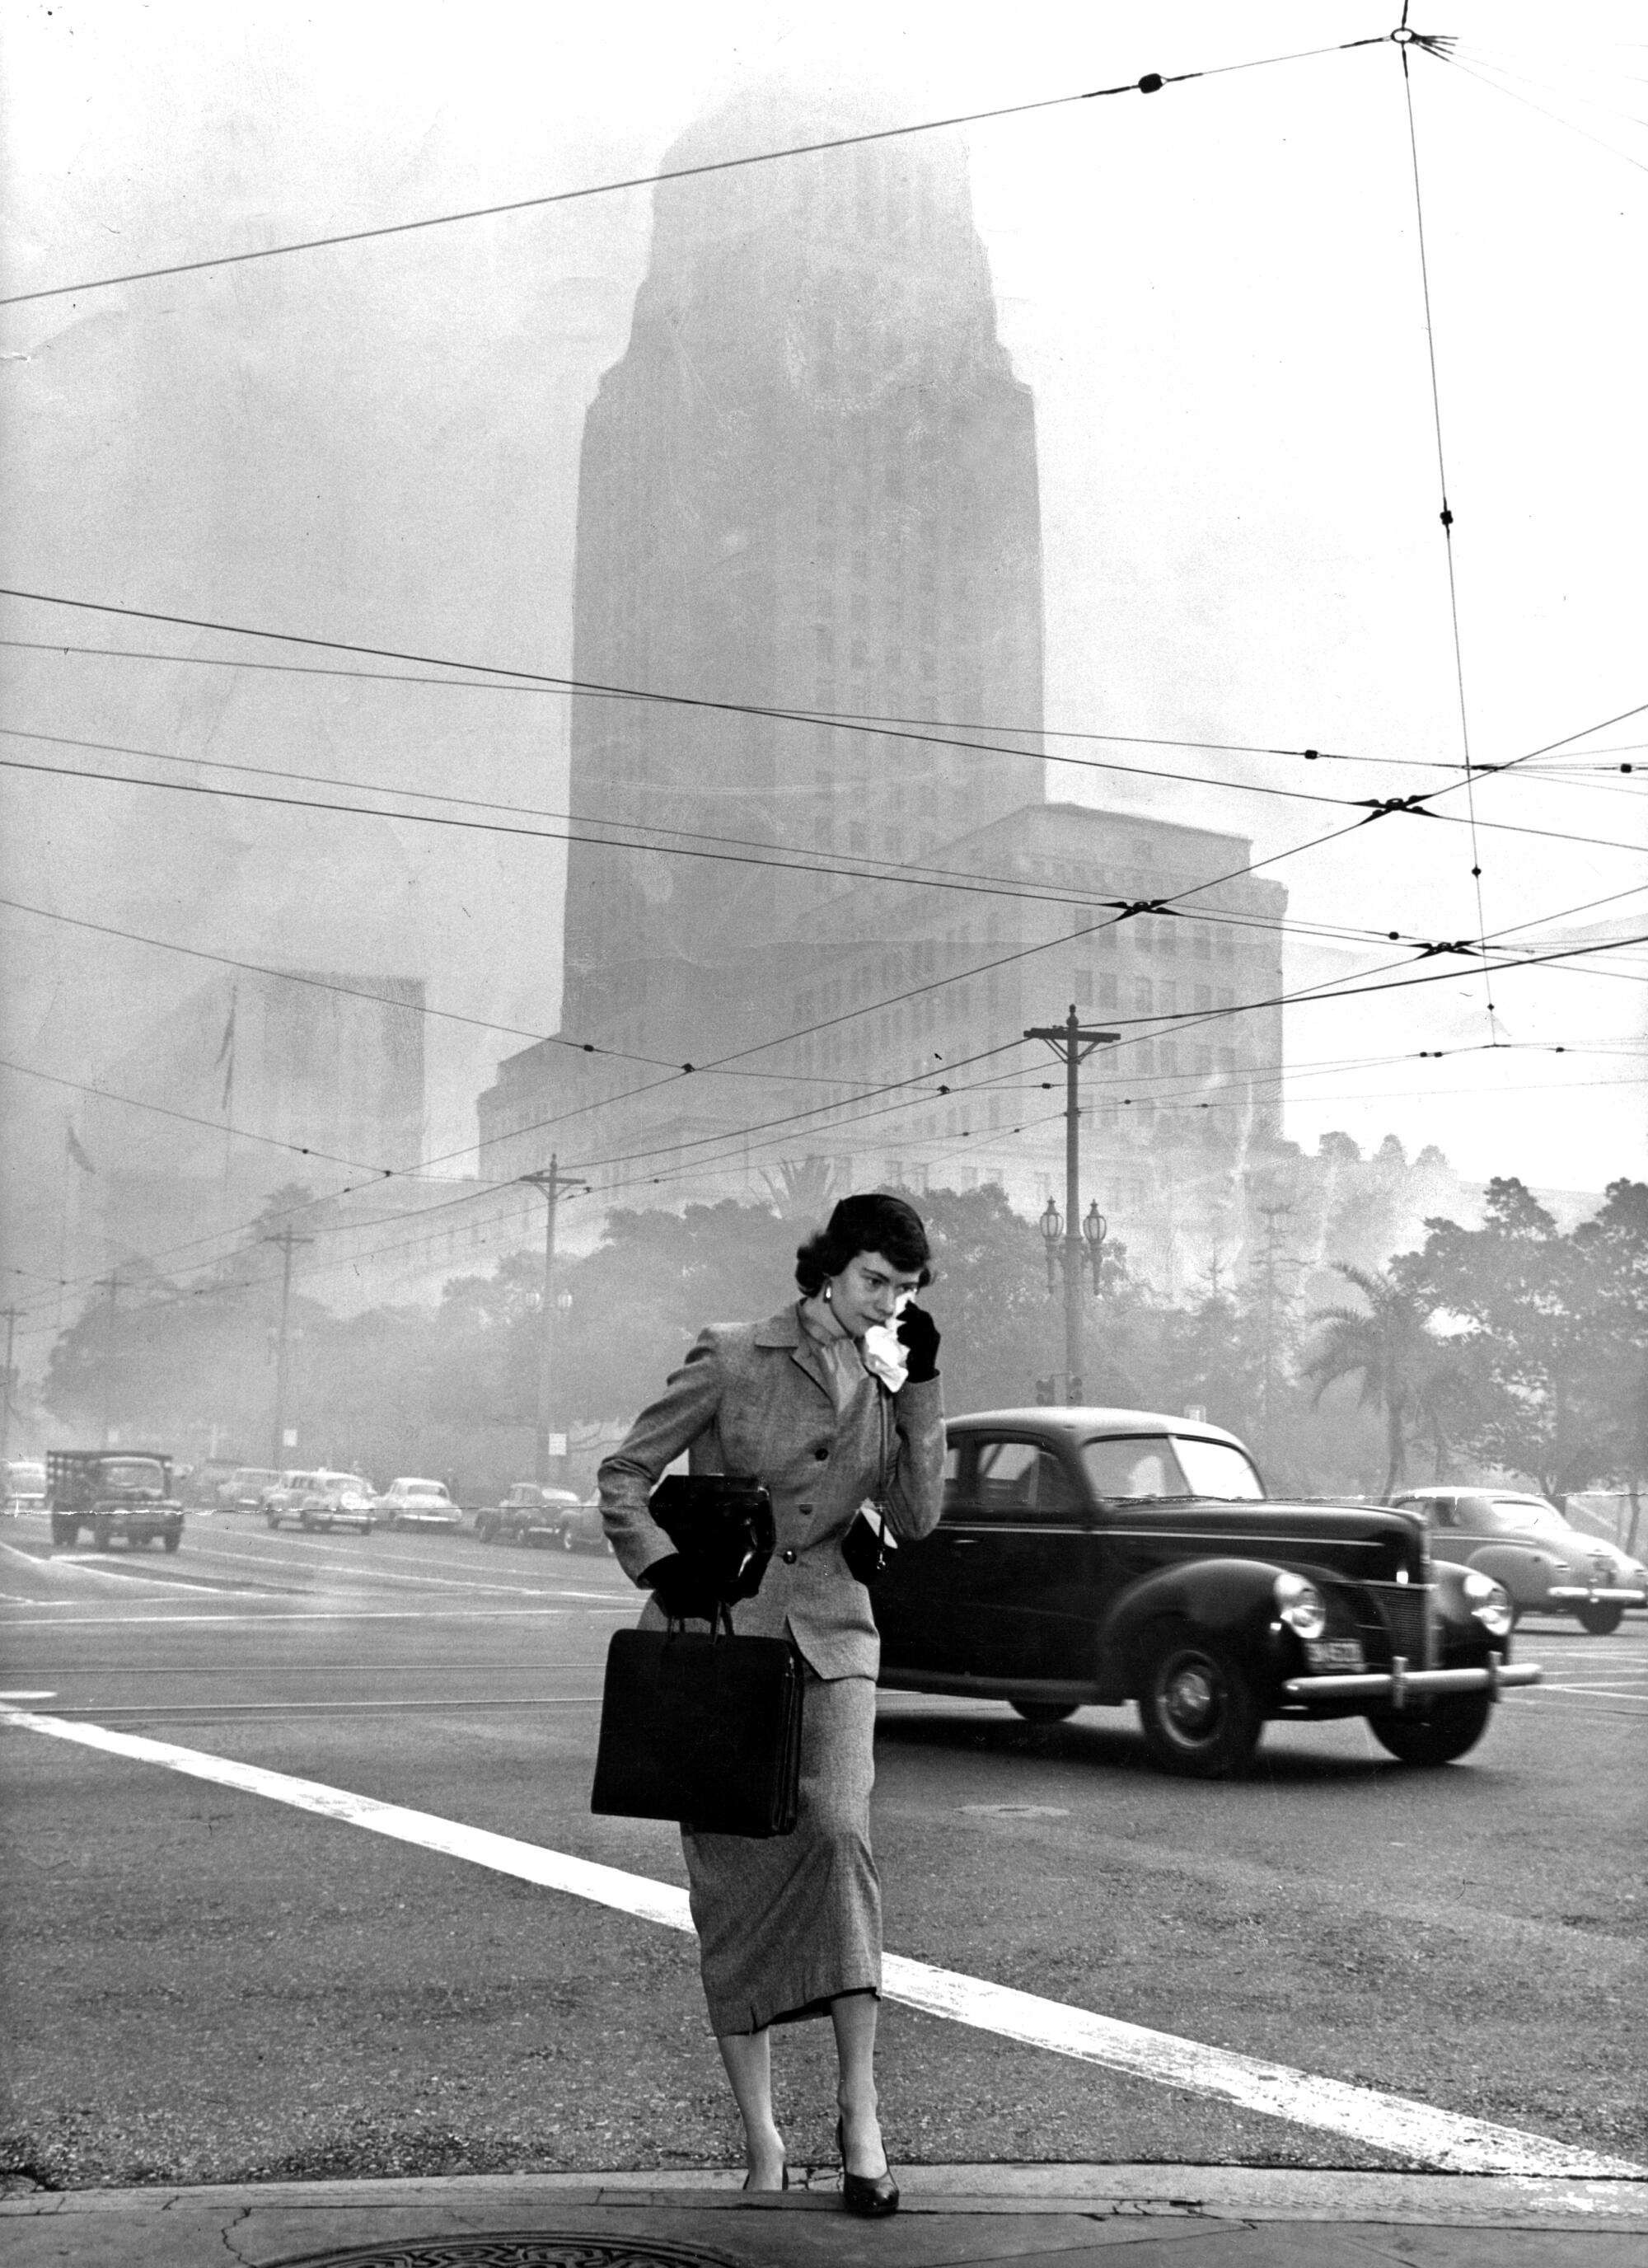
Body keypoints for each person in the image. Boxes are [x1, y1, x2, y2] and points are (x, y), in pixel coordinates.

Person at [598, 1192, 945, 2213]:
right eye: (875, 1282)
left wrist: (920, 1388)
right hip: (719, 1646)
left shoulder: (895, 1373)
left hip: (836, 1641)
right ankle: (759, 2136)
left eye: (906, 1291)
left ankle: (859, 2113)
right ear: (829, 1269)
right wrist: (668, 1572)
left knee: (840, 1838)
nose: (887, 1304)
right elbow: (624, 1472)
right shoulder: (732, 1352)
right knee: (733, 1886)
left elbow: (918, 1517)